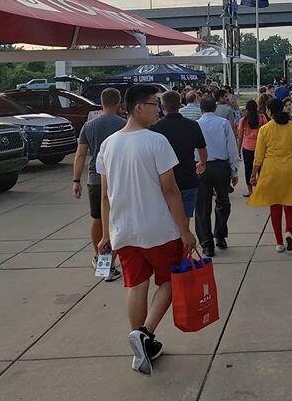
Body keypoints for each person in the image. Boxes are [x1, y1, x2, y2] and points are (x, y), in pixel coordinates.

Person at [96, 84, 197, 376]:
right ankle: (145, 333)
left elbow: (104, 195)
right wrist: (184, 230)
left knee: (135, 285)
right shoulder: (156, 142)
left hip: (123, 230)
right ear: (138, 107)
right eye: (155, 104)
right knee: (169, 281)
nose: (159, 109)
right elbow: (170, 189)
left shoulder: (109, 145)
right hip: (158, 229)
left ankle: (139, 342)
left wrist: (105, 234)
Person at [72, 87, 125, 282]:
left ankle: (100, 259)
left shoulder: (89, 126)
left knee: (97, 219)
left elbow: (80, 155)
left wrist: (76, 180)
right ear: (119, 102)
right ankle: (108, 265)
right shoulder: (124, 125)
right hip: (119, 178)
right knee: (115, 222)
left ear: (101, 103)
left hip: (94, 179)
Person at [248, 98, 292, 252]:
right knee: (290, 203)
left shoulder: (265, 129)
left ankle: (279, 242)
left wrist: (253, 174)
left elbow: (258, 156)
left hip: (271, 171)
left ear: (269, 112)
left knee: (275, 206)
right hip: (289, 170)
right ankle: (288, 231)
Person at [150, 91, 207, 226]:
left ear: (163, 107)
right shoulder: (192, 125)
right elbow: (202, 150)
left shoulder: (155, 129)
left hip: (164, 181)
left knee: (166, 223)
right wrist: (202, 163)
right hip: (188, 178)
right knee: (184, 222)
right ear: (180, 104)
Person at [195, 95, 239, 257]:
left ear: (201, 108)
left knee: (202, 208)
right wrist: (234, 169)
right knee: (223, 202)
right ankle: (220, 235)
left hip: (202, 166)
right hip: (221, 166)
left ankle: (207, 244)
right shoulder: (223, 123)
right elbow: (231, 148)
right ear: (215, 108)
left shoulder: (196, 125)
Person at [237, 100, 267, 198]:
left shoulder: (243, 120)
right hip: (260, 147)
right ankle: (262, 189)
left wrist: (238, 150)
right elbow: (267, 132)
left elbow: (240, 136)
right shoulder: (262, 118)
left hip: (247, 147)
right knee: (261, 169)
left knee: (248, 169)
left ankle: (250, 191)